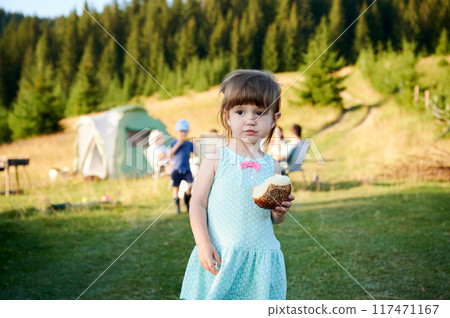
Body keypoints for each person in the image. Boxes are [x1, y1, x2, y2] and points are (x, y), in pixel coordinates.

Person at [180, 69, 295, 300]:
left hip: (260, 259)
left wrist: (280, 212)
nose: (250, 119)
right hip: (222, 257)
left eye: (260, 112)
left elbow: (272, 218)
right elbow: (198, 204)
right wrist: (203, 244)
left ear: (274, 118)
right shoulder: (216, 158)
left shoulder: (272, 167)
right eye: (240, 111)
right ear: (228, 116)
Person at [169, 119, 194, 214]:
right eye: (180, 131)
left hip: (187, 169)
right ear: (177, 132)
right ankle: (177, 207)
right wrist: (178, 144)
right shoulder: (174, 142)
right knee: (176, 188)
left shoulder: (188, 143)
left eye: (184, 131)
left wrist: (195, 143)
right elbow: (170, 154)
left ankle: (187, 203)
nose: (182, 133)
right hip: (176, 169)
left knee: (190, 186)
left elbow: (195, 151)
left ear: (187, 132)